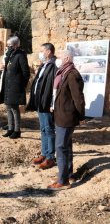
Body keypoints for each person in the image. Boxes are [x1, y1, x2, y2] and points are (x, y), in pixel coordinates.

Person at [47, 49, 85, 190]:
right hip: (61, 115)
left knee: (60, 147)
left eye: (62, 56)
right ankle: (67, 174)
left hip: (67, 117)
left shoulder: (72, 74)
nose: (59, 59)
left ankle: (63, 182)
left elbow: (78, 98)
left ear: (68, 58)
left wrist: (81, 116)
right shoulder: (64, 72)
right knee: (66, 146)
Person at [27, 43, 57, 170]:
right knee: (43, 129)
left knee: (49, 129)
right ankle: (44, 154)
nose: (40, 53)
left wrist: (52, 103)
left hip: (47, 103)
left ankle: (51, 157)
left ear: (49, 52)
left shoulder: (54, 65)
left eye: (42, 51)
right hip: (39, 102)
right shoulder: (44, 64)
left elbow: (55, 86)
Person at [0, 36, 30, 139]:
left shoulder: (21, 55)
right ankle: (10, 128)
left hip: (16, 86)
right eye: (7, 45)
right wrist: (7, 56)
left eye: (11, 45)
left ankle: (17, 130)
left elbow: (26, 72)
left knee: (14, 108)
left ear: (17, 45)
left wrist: (22, 85)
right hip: (8, 84)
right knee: (8, 107)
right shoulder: (11, 54)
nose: (9, 47)